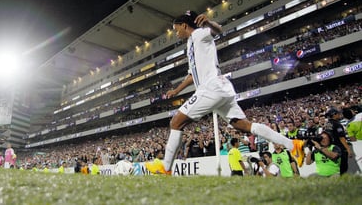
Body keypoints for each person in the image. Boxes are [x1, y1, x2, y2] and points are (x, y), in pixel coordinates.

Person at [145, 11, 293, 175]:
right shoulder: (190, 44)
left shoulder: (200, 33)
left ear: (184, 25)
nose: (176, 33)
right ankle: (293, 145)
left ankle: (165, 168)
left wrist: (208, 23)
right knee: (243, 125)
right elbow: (191, 75)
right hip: (221, 87)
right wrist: (177, 90)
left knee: (176, 122)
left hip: (211, 87)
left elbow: (217, 31)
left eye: (176, 29)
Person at [324, 107, 353, 175]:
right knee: (343, 169)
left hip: (332, 149)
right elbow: (341, 138)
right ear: (334, 114)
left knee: (336, 169)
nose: (339, 114)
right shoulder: (337, 124)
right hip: (340, 149)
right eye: (338, 113)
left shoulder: (327, 124)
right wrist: (348, 149)